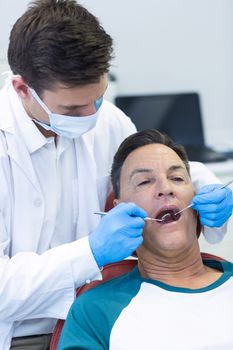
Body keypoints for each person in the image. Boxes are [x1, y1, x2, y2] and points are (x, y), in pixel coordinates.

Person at [0, 0, 232, 349]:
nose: (91, 114)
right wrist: (90, 252)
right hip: (19, 331)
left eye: (98, 97)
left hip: (98, 304)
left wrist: (203, 182)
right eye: (73, 108)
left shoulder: (108, 120)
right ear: (22, 89)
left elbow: (150, 165)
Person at [58, 129, 233, 350]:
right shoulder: (95, 311)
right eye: (144, 182)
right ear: (120, 212)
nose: (165, 189)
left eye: (177, 178)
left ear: (198, 198)